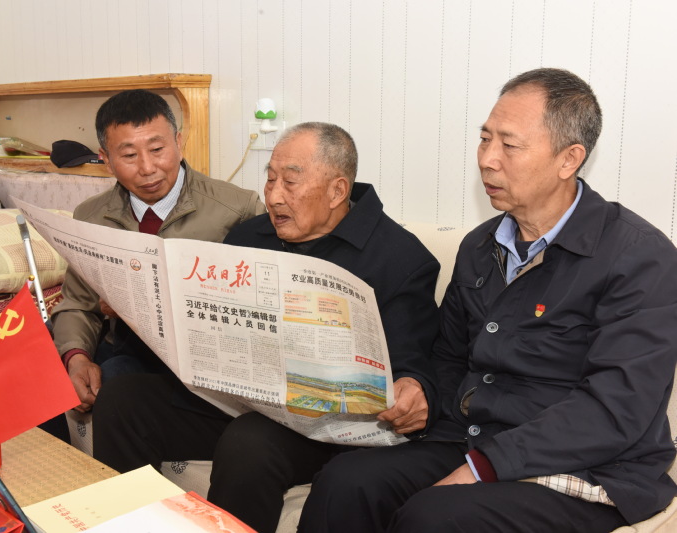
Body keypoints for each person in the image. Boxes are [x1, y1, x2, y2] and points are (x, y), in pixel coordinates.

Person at [297, 68, 677, 533]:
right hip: (471, 438)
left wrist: (483, 467)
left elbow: (616, 409)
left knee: (434, 518)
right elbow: (448, 356)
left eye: (509, 145)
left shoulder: (639, 257)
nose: (487, 160)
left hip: (585, 466)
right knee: (346, 483)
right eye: (484, 139)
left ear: (569, 159)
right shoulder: (480, 246)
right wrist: (421, 390)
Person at [92, 122, 441, 532]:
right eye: (270, 178)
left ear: (337, 191)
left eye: (290, 182)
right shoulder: (249, 236)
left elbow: (414, 364)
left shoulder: (400, 259)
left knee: (250, 440)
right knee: (123, 398)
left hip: (317, 431)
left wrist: (413, 388)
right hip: (236, 401)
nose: (273, 196)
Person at [50, 89, 265, 413]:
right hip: (127, 348)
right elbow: (79, 304)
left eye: (157, 149)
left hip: (209, 361)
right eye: (129, 155)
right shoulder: (90, 217)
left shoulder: (237, 209)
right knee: (41, 377)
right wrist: (76, 358)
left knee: (117, 390)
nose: (148, 167)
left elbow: (262, 305)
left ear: (178, 142)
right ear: (106, 159)